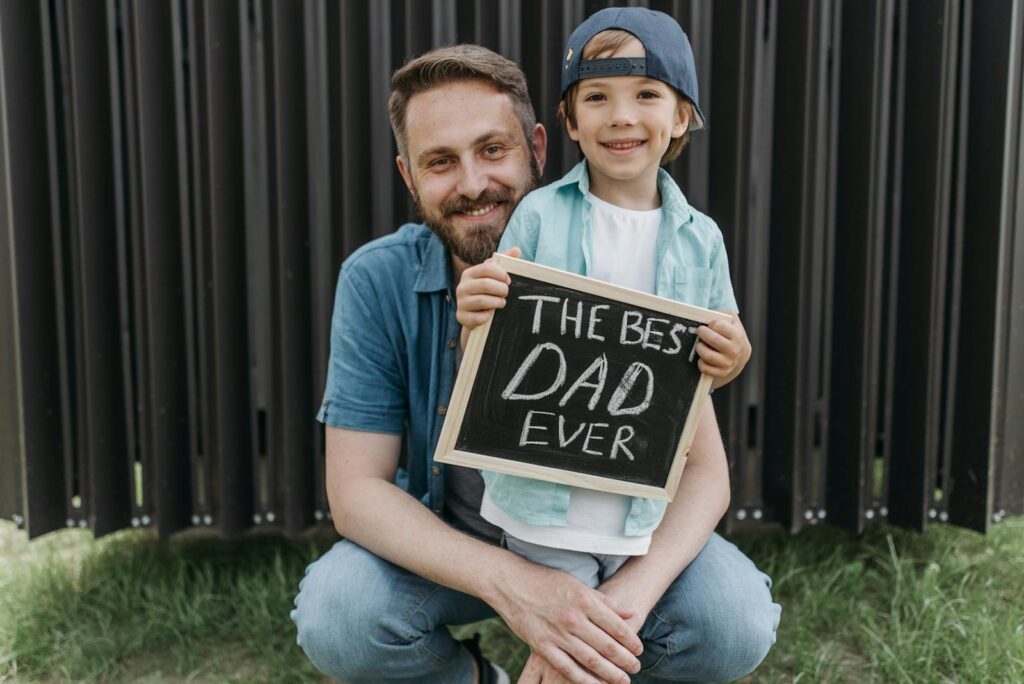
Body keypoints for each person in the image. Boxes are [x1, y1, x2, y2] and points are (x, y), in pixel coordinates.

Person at [290, 41, 780, 684]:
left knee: (732, 620)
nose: (472, 185)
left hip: (612, 542)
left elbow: (707, 473)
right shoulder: (376, 279)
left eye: (494, 150)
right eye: (440, 162)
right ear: (409, 177)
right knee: (339, 615)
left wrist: (613, 611)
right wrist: (521, 587)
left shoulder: (623, 259)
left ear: (540, 149)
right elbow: (356, 492)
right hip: (458, 539)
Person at [456, 7, 750, 604]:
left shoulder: (702, 238)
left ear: (681, 116)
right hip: (542, 500)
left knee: (606, 645)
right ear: (568, 120)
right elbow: (493, 355)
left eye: (646, 93)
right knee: (573, 639)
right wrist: (476, 315)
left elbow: (716, 358)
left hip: (640, 501)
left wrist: (733, 356)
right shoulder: (538, 216)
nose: (621, 116)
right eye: (596, 97)